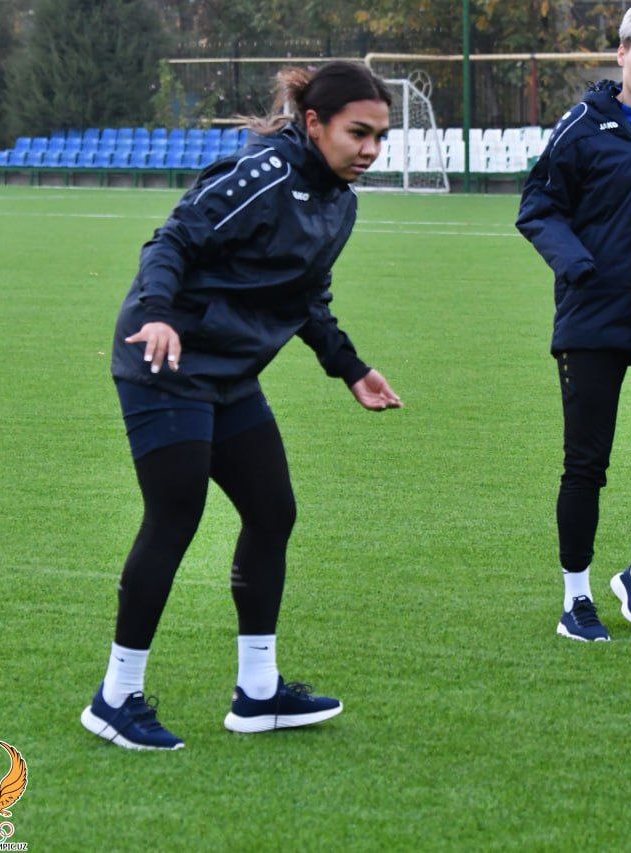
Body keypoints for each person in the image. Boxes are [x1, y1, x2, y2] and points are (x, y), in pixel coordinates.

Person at [81, 61, 403, 750]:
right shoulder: (262, 175)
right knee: (175, 514)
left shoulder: (340, 203)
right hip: (165, 357)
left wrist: (350, 368)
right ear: (314, 123)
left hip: (230, 372)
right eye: (358, 133)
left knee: (272, 510)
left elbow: (307, 298)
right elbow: (171, 240)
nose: (371, 149)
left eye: (380, 136)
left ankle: (258, 692)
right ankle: (115, 696)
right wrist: (159, 313)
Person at [517, 3, 631, 642]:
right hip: (592, 317)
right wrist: (578, 265)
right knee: (586, 465)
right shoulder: (582, 126)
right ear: (622, 54)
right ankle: (576, 599)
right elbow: (538, 206)